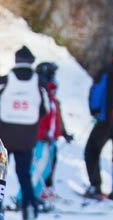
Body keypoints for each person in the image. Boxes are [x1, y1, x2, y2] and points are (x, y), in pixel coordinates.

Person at [0, 45, 50, 220]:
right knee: (24, 175)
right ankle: (29, 215)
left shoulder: (4, 81)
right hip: (27, 137)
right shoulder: (39, 84)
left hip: (5, 136)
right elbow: (46, 109)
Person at [83, 45, 113, 200]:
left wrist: (94, 110)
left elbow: (97, 92)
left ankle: (95, 185)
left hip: (106, 120)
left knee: (91, 151)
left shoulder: (107, 71)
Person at [33, 61, 72, 204]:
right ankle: (28, 196)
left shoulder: (52, 96)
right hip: (42, 138)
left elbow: (56, 118)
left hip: (51, 138)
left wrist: (63, 133)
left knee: (48, 166)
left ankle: (40, 193)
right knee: (39, 167)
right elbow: (41, 117)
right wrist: (42, 133)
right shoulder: (41, 93)